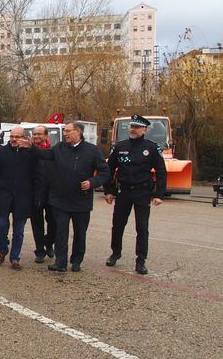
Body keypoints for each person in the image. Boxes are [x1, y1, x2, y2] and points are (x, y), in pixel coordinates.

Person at [19, 121, 109, 272]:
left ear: (78, 132)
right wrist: (31, 147)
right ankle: (60, 262)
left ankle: (76, 261)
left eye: (68, 131)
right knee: (61, 232)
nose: (65, 134)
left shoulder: (92, 151)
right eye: (65, 131)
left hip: (81, 200)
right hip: (60, 199)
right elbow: (45, 154)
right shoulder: (59, 148)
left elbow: (104, 172)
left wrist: (93, 182)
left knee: (80, 233)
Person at [104, 115, 166, 275]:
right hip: (123, 191)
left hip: (142, 192)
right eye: (131, 126)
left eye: (137, 127)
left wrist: (159, 194)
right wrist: (109, 191)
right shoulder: (119, 147)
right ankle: (115, 253)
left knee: (142, 228)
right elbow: (109, 170)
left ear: (144, 130)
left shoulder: (152, 148)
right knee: (118, 225)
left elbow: (161, 172)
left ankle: (141, 260)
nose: (133, 129)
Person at [0, 126, 42, 270]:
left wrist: (37, 195)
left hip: (23, 198)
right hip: (3, 196)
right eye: (12, 137)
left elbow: (37, 176)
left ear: (24, 138)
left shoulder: (30, 154)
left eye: (17, 137)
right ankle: (3, 248)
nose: (14, 139)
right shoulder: (2, 152)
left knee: (18, 231)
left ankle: (15, 258)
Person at [29, 125, 56, 263]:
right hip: (34, 193)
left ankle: (49, 242)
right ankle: (40, 250)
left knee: (54, 222)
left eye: (39, 134)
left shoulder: (54, 151)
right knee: (36, 223)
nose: (36, 136)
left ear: (46, 136)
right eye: (34, 134)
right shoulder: (27, 152)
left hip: (52, 194)